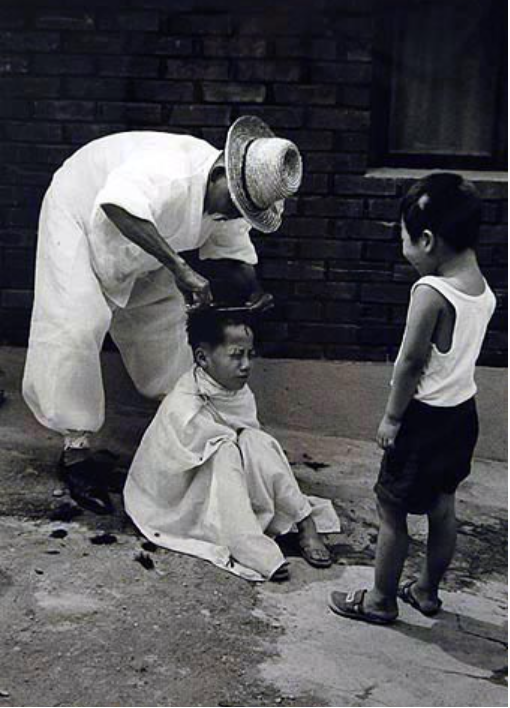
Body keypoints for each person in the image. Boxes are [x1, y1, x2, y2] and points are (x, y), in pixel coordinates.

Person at [23, 116, 303, 515]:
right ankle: (75, 453)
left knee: (164, 324)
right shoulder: (171, 173)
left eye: (243, 212)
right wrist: (179, 266)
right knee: (77, 324)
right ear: (221, 174)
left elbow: (236, 260)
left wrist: (255, 294)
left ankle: (182, 436)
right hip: (81, 212)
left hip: (144, 243)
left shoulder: (231, 203)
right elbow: (116, 205)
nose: (232, 216)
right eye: (234, 207)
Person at [329, 173, 496, 624]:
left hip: (423, 420)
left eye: (404, 238)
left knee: (391, 508)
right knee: (443, 506)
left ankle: (380, 599)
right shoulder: (481, 288)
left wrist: (391, 417)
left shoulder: (430, 293)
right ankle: (426, 591)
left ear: (426, 240)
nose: (403, 248)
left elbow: (409, 364)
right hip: (462, 415)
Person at [124, 308, 340, 582]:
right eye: (236, 355)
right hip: (181, 492)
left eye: (250, 354)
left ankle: (305, 522)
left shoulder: (236, 393)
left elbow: (248, 436)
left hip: (229, 477)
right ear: (203, 358)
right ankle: (248, 544)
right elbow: (173, 464)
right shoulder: (186, 404)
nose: (246, 365)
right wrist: (229, 448)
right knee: (224, 450)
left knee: (258, 441)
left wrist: (245, 448)